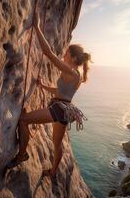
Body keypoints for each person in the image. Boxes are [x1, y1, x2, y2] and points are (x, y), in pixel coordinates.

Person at [7, 14, 92, 178]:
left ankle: (22, 155)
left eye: (67, 54)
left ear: (73, 58)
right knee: (57, 143)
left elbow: (48, 53)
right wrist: (42, 85)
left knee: (23, 120)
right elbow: (62, 93)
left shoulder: (71, 72)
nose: (64, 56)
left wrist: (37, 27)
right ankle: (53, 172)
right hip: (65, 109)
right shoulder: (77, 76)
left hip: (59, 109)